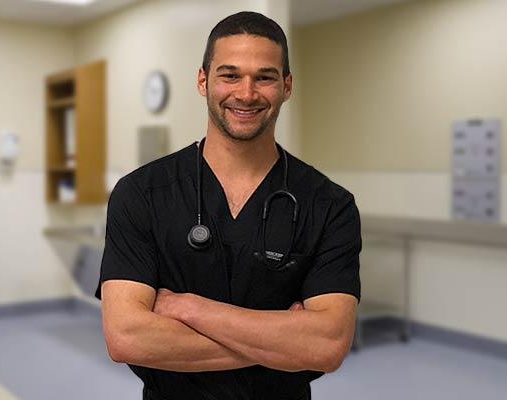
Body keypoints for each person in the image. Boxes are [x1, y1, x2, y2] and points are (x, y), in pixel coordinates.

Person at [96, 11, 361, 400]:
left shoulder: (329, 204)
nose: (247, 93)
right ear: (203, 80)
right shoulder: (141, 193)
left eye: (265, 76)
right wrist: (282, 341)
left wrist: (188, 309)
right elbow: (126, 337)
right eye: (230, 75)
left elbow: (327, 346)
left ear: (287, 86)